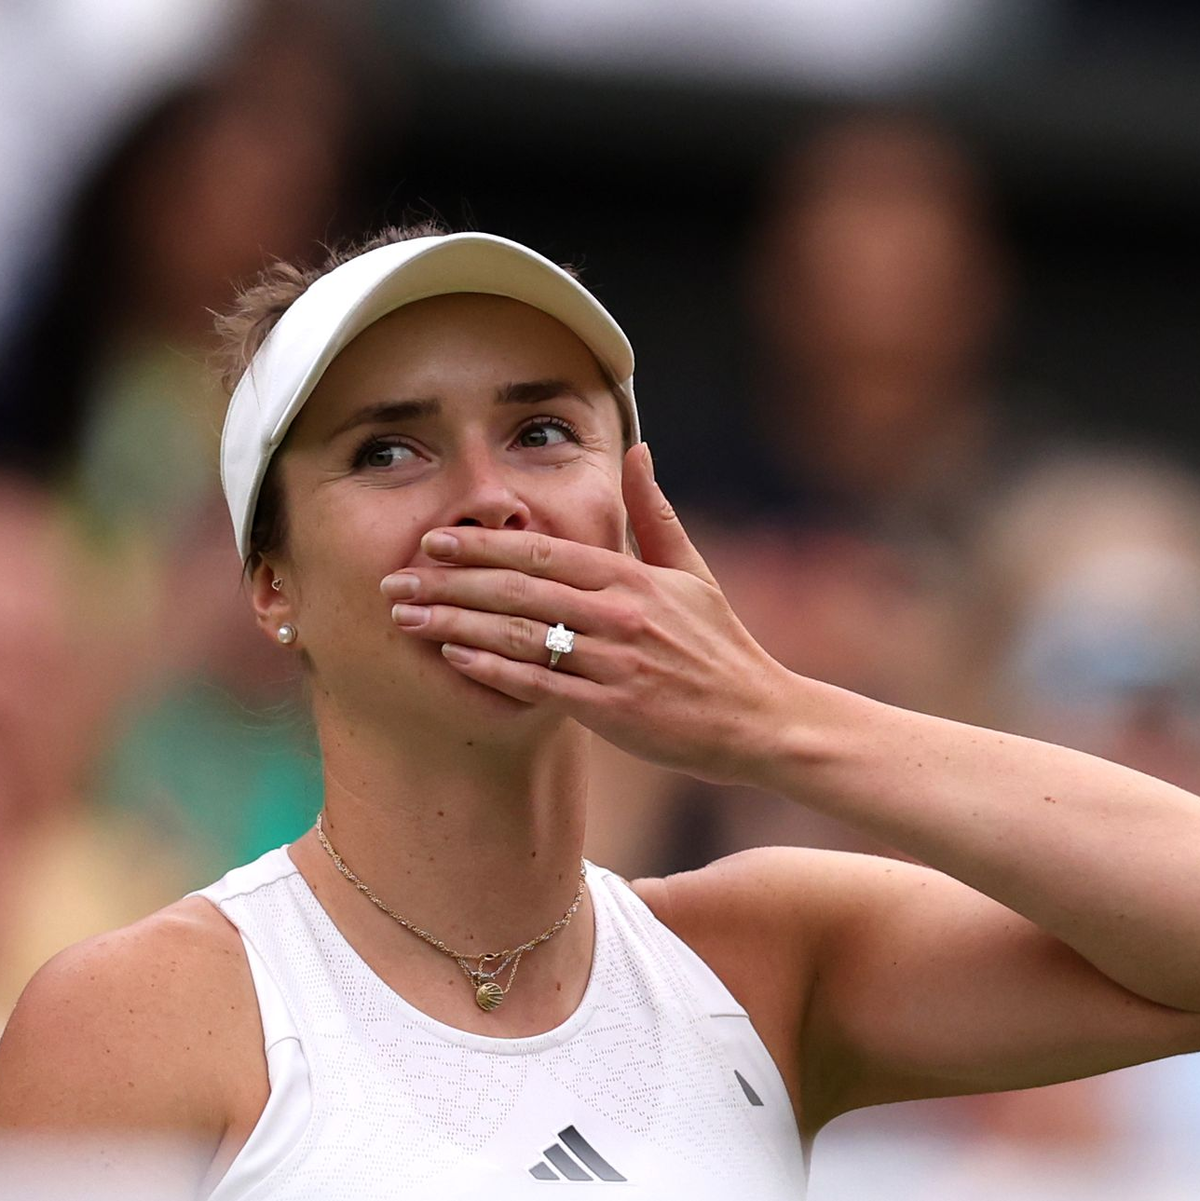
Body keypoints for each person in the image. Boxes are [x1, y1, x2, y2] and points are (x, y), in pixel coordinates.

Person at [1, 225, 1199, 1200]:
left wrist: (772, 717)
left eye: (541, 433)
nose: (488, 501)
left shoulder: (767, 959)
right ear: (273, 584)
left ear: (628, 517)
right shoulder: (136, 1020)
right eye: (389, 450)